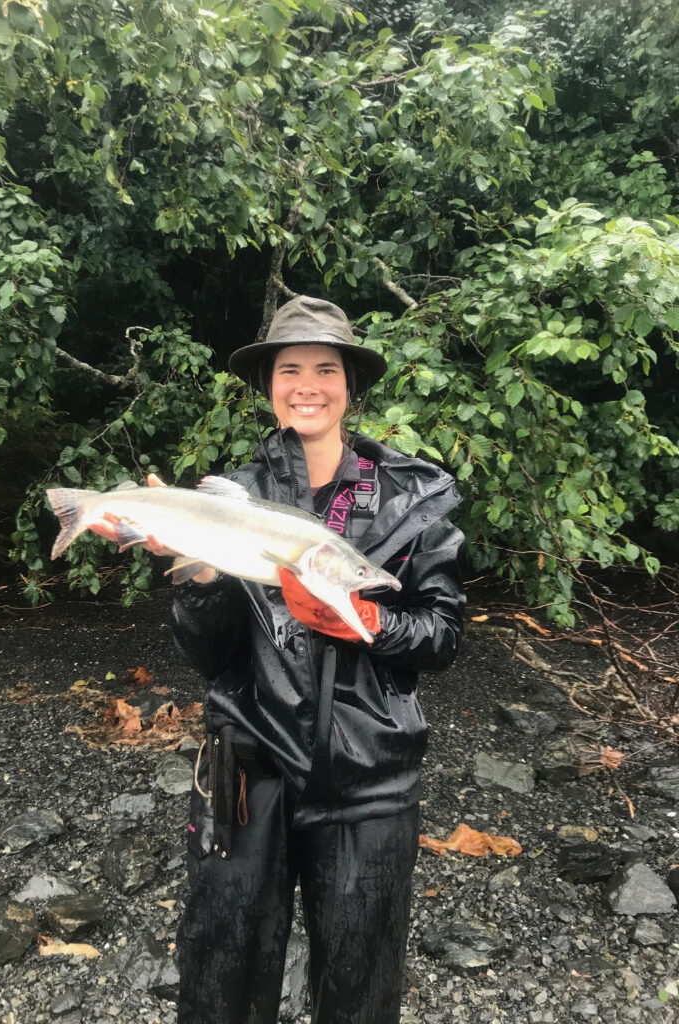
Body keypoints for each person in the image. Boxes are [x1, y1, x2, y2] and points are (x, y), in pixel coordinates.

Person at [160, 296, 465, 1024]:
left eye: (325, 369)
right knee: (223, 972)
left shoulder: (416, 497)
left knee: (358, 986)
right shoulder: (229, 496)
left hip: (369, 775)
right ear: (268, 383)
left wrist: (363, 620)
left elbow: (443, 636)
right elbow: (209, 658)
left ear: (349, 384)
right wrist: (201, 575)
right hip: (247, 769)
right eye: (289, 368)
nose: (307, 385)